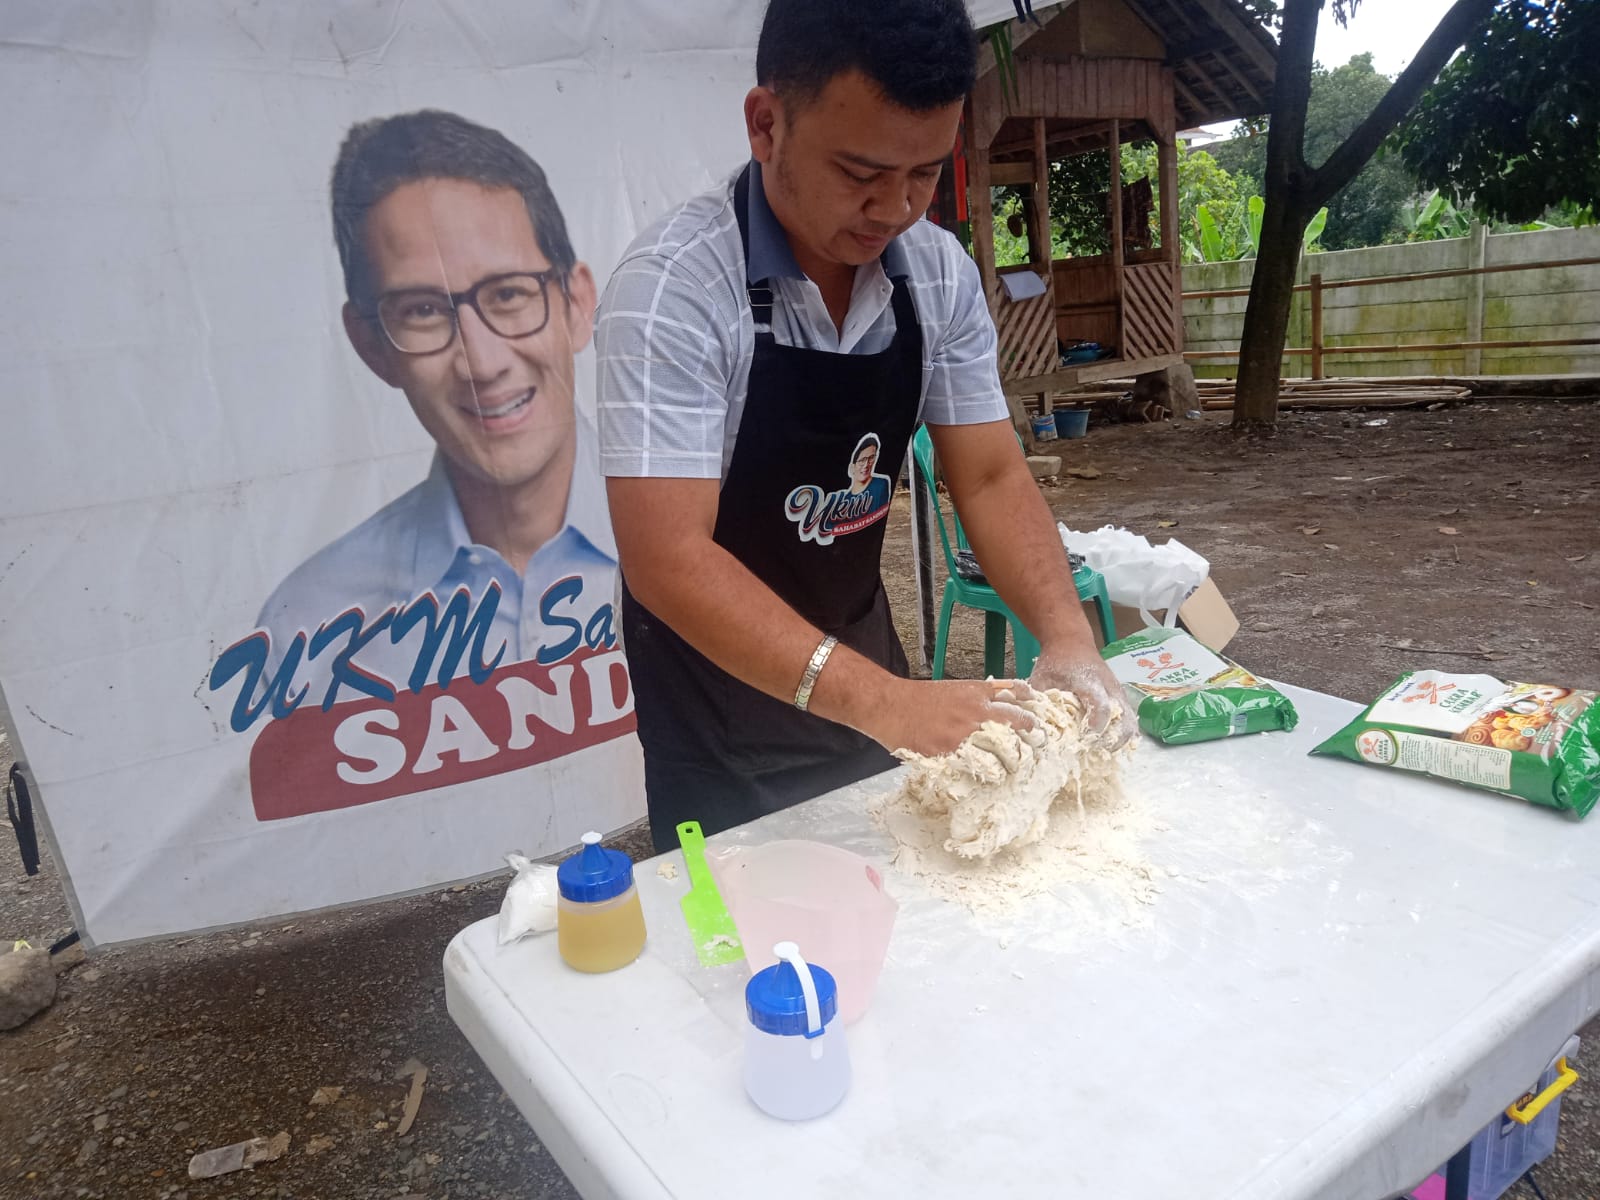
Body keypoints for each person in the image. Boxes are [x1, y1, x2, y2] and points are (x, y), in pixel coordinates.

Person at [596, 0, 1133, 849]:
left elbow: (989, 475)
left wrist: (1068, 641)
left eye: (925, 173)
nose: (896, 208)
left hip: (866, 677)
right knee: (749, 966)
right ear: (766, 124)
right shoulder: (675, 292)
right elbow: (668, 559)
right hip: (718, 720)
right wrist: (891, 702)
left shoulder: (934, 276)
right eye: (861, 173)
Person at [249, 110, 618, 709]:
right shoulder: (307, 631)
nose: (482, 361)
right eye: (422, 310)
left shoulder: (723, 536)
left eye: (508, 294)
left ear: (577, 304)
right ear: (371, 345)